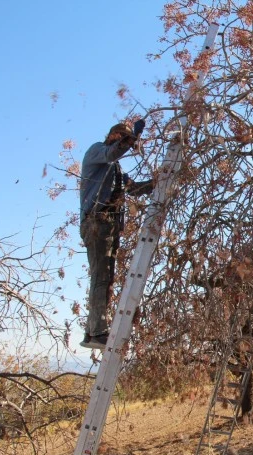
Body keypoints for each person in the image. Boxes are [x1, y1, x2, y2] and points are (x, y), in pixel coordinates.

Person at [79, 120, 153, 350]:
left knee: (105, 278)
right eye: (121, 137)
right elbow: (113, 153)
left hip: (108, 224)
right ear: (113, 135)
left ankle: (94, 330)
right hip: (97, 221)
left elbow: (136, 189)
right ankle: (96, 332)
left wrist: (160, 181)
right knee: (101, 277)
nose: (123, 142)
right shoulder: (96, 152)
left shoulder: (116, 171)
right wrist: (134, 137)